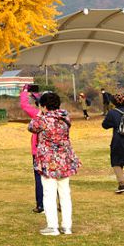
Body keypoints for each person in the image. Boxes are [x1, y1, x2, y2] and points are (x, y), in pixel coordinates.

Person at [28, 91, 79, 236]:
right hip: (64, 159)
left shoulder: (43, 120)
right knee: (65, 193)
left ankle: (53, 226)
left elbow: (31, 127)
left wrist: (40, 113)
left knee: (49, 193)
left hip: (48, 160)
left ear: (43, 106)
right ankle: (67, 226)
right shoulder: (65, 118)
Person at [19, 84, 44, 213]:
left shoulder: (37, 115)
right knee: (54, 178)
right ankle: (59, 202)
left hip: (38, 151)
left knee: (39, 177)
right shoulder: (59, 116)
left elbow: (24, 105)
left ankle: (41, 204)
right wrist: (36, 95)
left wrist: (25, 92)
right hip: (54, 152)